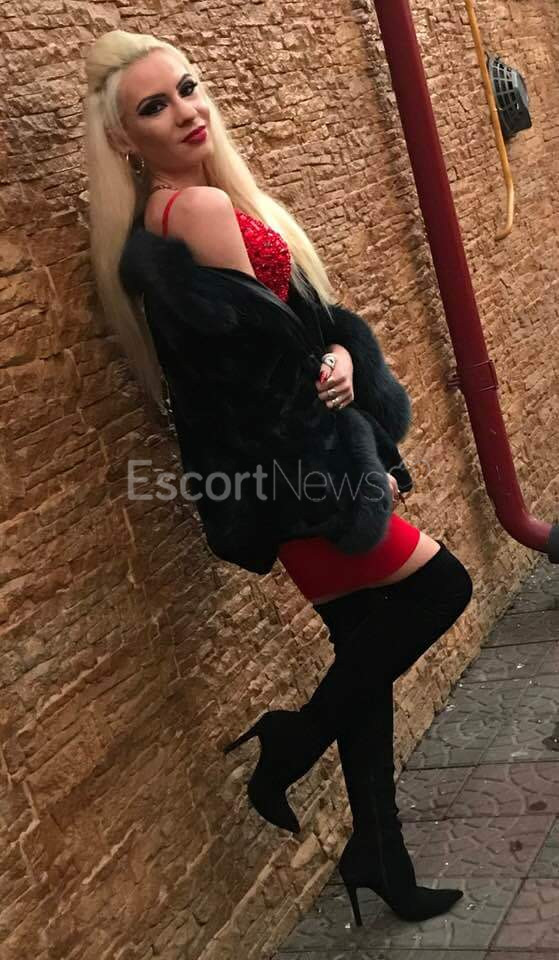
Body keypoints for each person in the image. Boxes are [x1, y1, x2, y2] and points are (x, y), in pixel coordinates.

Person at [84, 29, 474, 926]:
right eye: (154, 106)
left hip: (282, 480)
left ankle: (378, 852)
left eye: (187, 88)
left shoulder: (175, 214)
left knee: (364, 655)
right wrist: (349, 451)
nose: (185, 112)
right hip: (308, 479)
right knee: (441, 589)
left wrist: (340, 354)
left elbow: (287, 343)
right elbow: (266, 378)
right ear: (121, 138)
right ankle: (290, 743)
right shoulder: (193, 210)